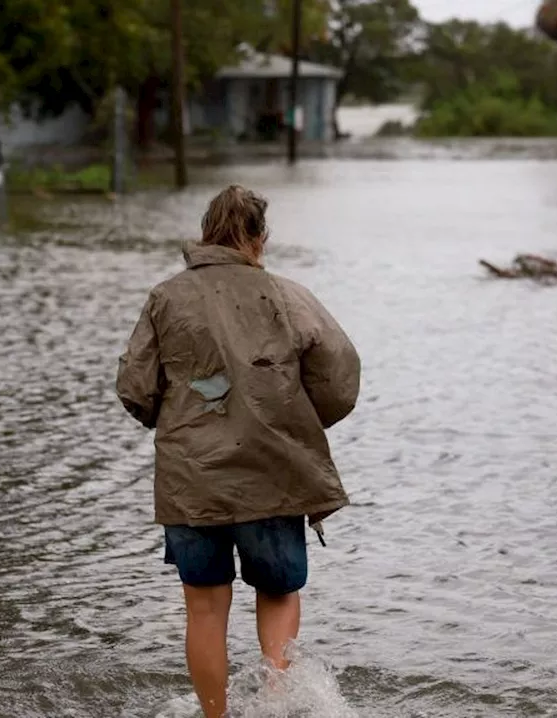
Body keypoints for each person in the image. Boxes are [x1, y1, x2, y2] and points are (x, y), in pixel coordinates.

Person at [116, 184, 360, 718]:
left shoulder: (164, 298)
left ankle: (214, 716)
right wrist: (291, 419)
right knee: (276, 593)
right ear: (259, 238)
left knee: (204, 609)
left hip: (191, 479)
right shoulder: (288, 296)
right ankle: (276, 706)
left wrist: (183, 421)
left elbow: (135, 390)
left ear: (206, 234)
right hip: (274, 475)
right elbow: (340, 380)